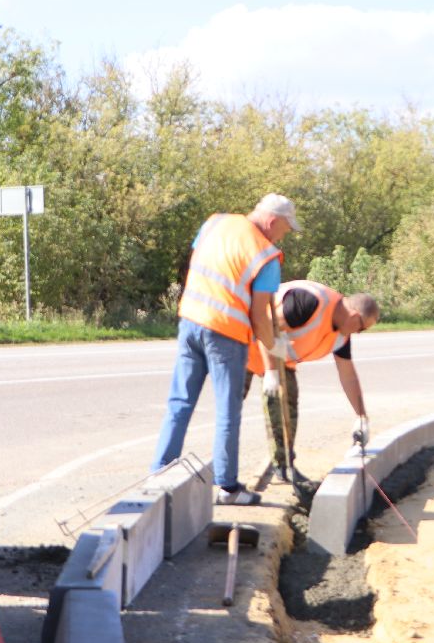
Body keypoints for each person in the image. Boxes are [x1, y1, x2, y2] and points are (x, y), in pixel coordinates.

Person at [152, 194, 300, 505]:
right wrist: (274, 346)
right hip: (226, 335)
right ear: (272, 221)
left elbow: (202, 265)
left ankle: (159, 473)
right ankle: (228, 487)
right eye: (284, 229)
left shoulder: (214, 223)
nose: (282, 236)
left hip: (190, 321)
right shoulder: (267, 255)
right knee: (227, 411)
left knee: (180, 402)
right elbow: (260, 316)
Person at [244, 281, 379, 485]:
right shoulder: (309, 302)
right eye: (361, 329)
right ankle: (225, 476)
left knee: (287, 403)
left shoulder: (341, 336)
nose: (357, 333)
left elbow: (348, 375)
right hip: (245, 346)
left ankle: (284, 466)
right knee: (230, 406)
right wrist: (271, 371)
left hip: (277, 357)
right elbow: (265, 324)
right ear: (354, 316)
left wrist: (361, 416)